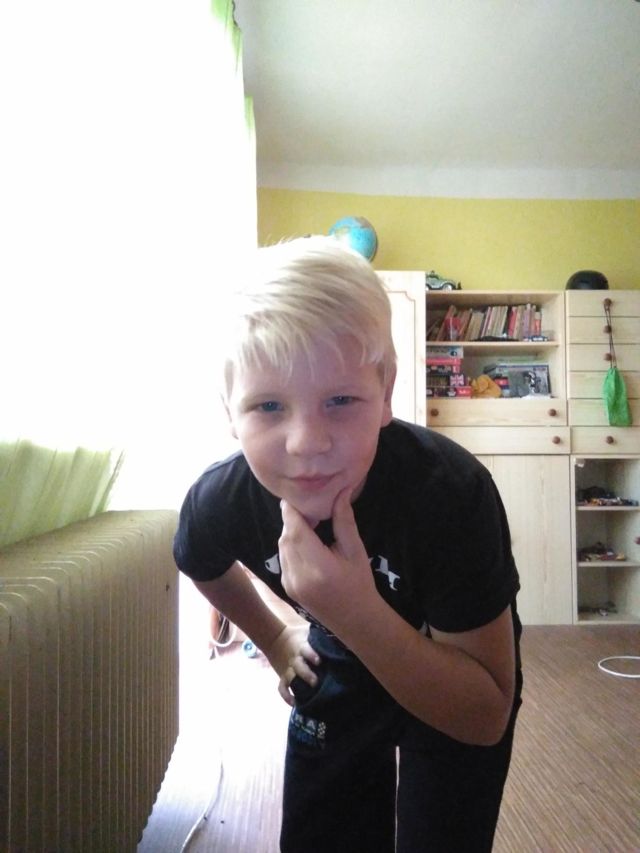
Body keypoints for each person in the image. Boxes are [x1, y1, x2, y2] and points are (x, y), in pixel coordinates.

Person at [173, 236, 522, 853]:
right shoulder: (223, 498)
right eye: (268, 406)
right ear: (229, 411)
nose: (307, 442)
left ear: (385, 394)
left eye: (340, 400)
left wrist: (354, 610)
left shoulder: (450, 495)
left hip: (451, 664)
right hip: (336, 657)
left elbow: (483, 714)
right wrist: (275, 637)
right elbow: (199, 560)